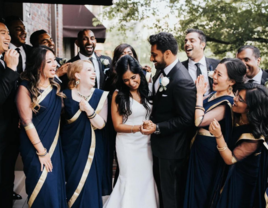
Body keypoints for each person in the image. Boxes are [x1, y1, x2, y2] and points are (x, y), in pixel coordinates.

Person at [140, 32, 196, 208]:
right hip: (160, 148)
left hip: (173, 151)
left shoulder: (182, 80)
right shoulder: (161, 73)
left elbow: (186, 119)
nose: (151, 58)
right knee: (163, 196)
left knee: (171, 197)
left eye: (154, 54)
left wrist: (157, 127)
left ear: (167, 54)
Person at [183, 58, 246, 208]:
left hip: (209, 154)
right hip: (198, 149)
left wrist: (199, 94)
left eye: (219, 74)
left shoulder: (227, 102)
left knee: (202, 194)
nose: (214, 77)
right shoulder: (213, 95)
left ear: (231, 81)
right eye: (214, 72)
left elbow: (199, 121)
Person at [103, 55, 158, 208]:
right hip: (127, 144)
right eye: (126, 80)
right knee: (129, 179)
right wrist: (137, 128)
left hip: (146, 143)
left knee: (146, 178)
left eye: (134, 77)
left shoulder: (147, 88)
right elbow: (117, 126)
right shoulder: (117, 94)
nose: (131, 83)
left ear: (139, 73)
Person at [16, 46, 67, 207]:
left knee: (54, 187)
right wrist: (41, 152)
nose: (55, 65)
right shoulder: (25, 88)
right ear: (38, 65)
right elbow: (26, 121)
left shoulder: (56, 86)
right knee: (42, 188)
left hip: (54, 145)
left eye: (55, 61)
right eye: (49, 62)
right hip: (35, 148)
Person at [209, 83, 268, 208]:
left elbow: (230, 159)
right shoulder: (236, 115)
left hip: (242, 183)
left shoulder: (255, 137)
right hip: (227, 174)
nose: (234, 99)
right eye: (236, 94)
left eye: (240, 99)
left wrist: (218, 135)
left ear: (250, 108)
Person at [60, 60, 108, 208]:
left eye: (93, 70)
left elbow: (101, 124)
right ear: (77, 75)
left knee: (89, 190)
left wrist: (89, 109)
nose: (94, 73)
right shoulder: (64, 95)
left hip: (91, 152)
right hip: (69, 152)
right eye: (89, 70)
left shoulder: (101, 95)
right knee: (71, 189)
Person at [0, 21, 20, 208]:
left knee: (6, 181)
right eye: (2, 33)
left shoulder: (4, 60)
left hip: (9, 135)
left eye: (8, 33)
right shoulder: (8, 64)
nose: (8, 37)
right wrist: (11, 69)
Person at [182, 29, 219, 95]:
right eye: (186, 41)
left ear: (202, 45)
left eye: (192, 41)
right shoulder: (180, 68)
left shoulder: (217, 65)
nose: (187, 44)